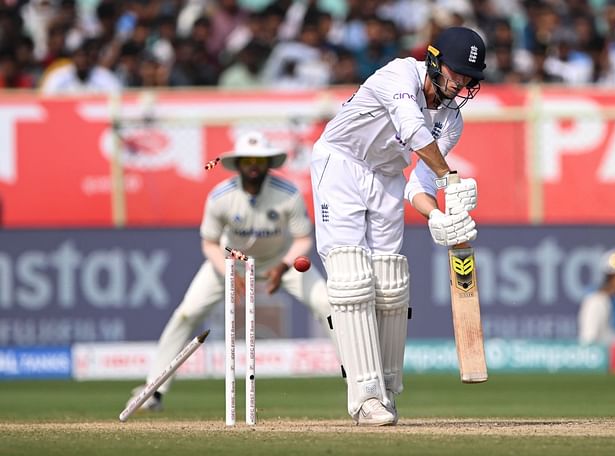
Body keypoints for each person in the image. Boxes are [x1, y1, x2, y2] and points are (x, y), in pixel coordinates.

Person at [309, 26, 484, 426]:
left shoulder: (452, 121)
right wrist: (451, 179)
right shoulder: (398, 75)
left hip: (387, 177)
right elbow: (411, 129)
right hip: (341, 164)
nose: (462, 85)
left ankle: (386, 391)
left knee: (390, 281)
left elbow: (418, 184)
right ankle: (365, 397)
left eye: (469, 79)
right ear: (435, 62)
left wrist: (437, 216)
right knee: (352, 277)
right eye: (457, 74)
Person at [126, 130, 332, 411]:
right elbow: (210, 243)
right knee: (187, 313)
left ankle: (357, 385)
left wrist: (284, 265)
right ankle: (154, 390)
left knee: (327, 304)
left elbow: (303, 239)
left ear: (269, 162)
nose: (254, 166)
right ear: (237, 164)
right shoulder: (220, 197)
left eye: (260, 160)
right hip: (230, 261)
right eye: (247, 160)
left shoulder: (288, 194)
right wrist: (229, 273)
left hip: (279, 260)